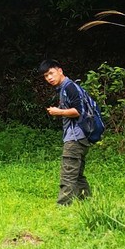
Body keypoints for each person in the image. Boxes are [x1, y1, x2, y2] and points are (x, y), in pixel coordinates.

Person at [40, 59, 93, 206]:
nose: (49, 78)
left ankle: (62, 207)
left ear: (60, 71)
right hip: (82, 136)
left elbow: (78, 111)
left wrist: (59, 112)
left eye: (51, 73)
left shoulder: (70, 87)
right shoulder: (65, 88)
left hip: (76, 137)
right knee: (77, 175)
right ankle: (87, 203)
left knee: (68, 174)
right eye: (46, 76)